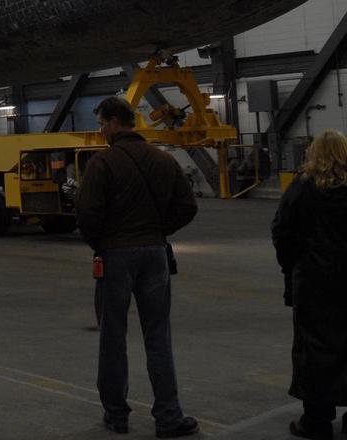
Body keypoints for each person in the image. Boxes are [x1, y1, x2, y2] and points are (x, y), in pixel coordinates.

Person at [75, 96, 199, 437]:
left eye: (101, 124)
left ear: (115, 123)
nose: (100, 131)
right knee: (158, 334)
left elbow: (87, 215)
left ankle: (116, 415)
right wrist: (159, 232)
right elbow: (187, 206)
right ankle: (169, 417)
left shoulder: (103, 164)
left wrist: (101, 243)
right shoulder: (164, 160)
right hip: (155, 254)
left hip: (116, 255)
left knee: (113, 336)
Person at [272, 130, 347, 440]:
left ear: (314, 154)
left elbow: (283, 233)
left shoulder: (301, 189)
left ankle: (317, 420)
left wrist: (292, 269)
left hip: (313, 283)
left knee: (314, 350)